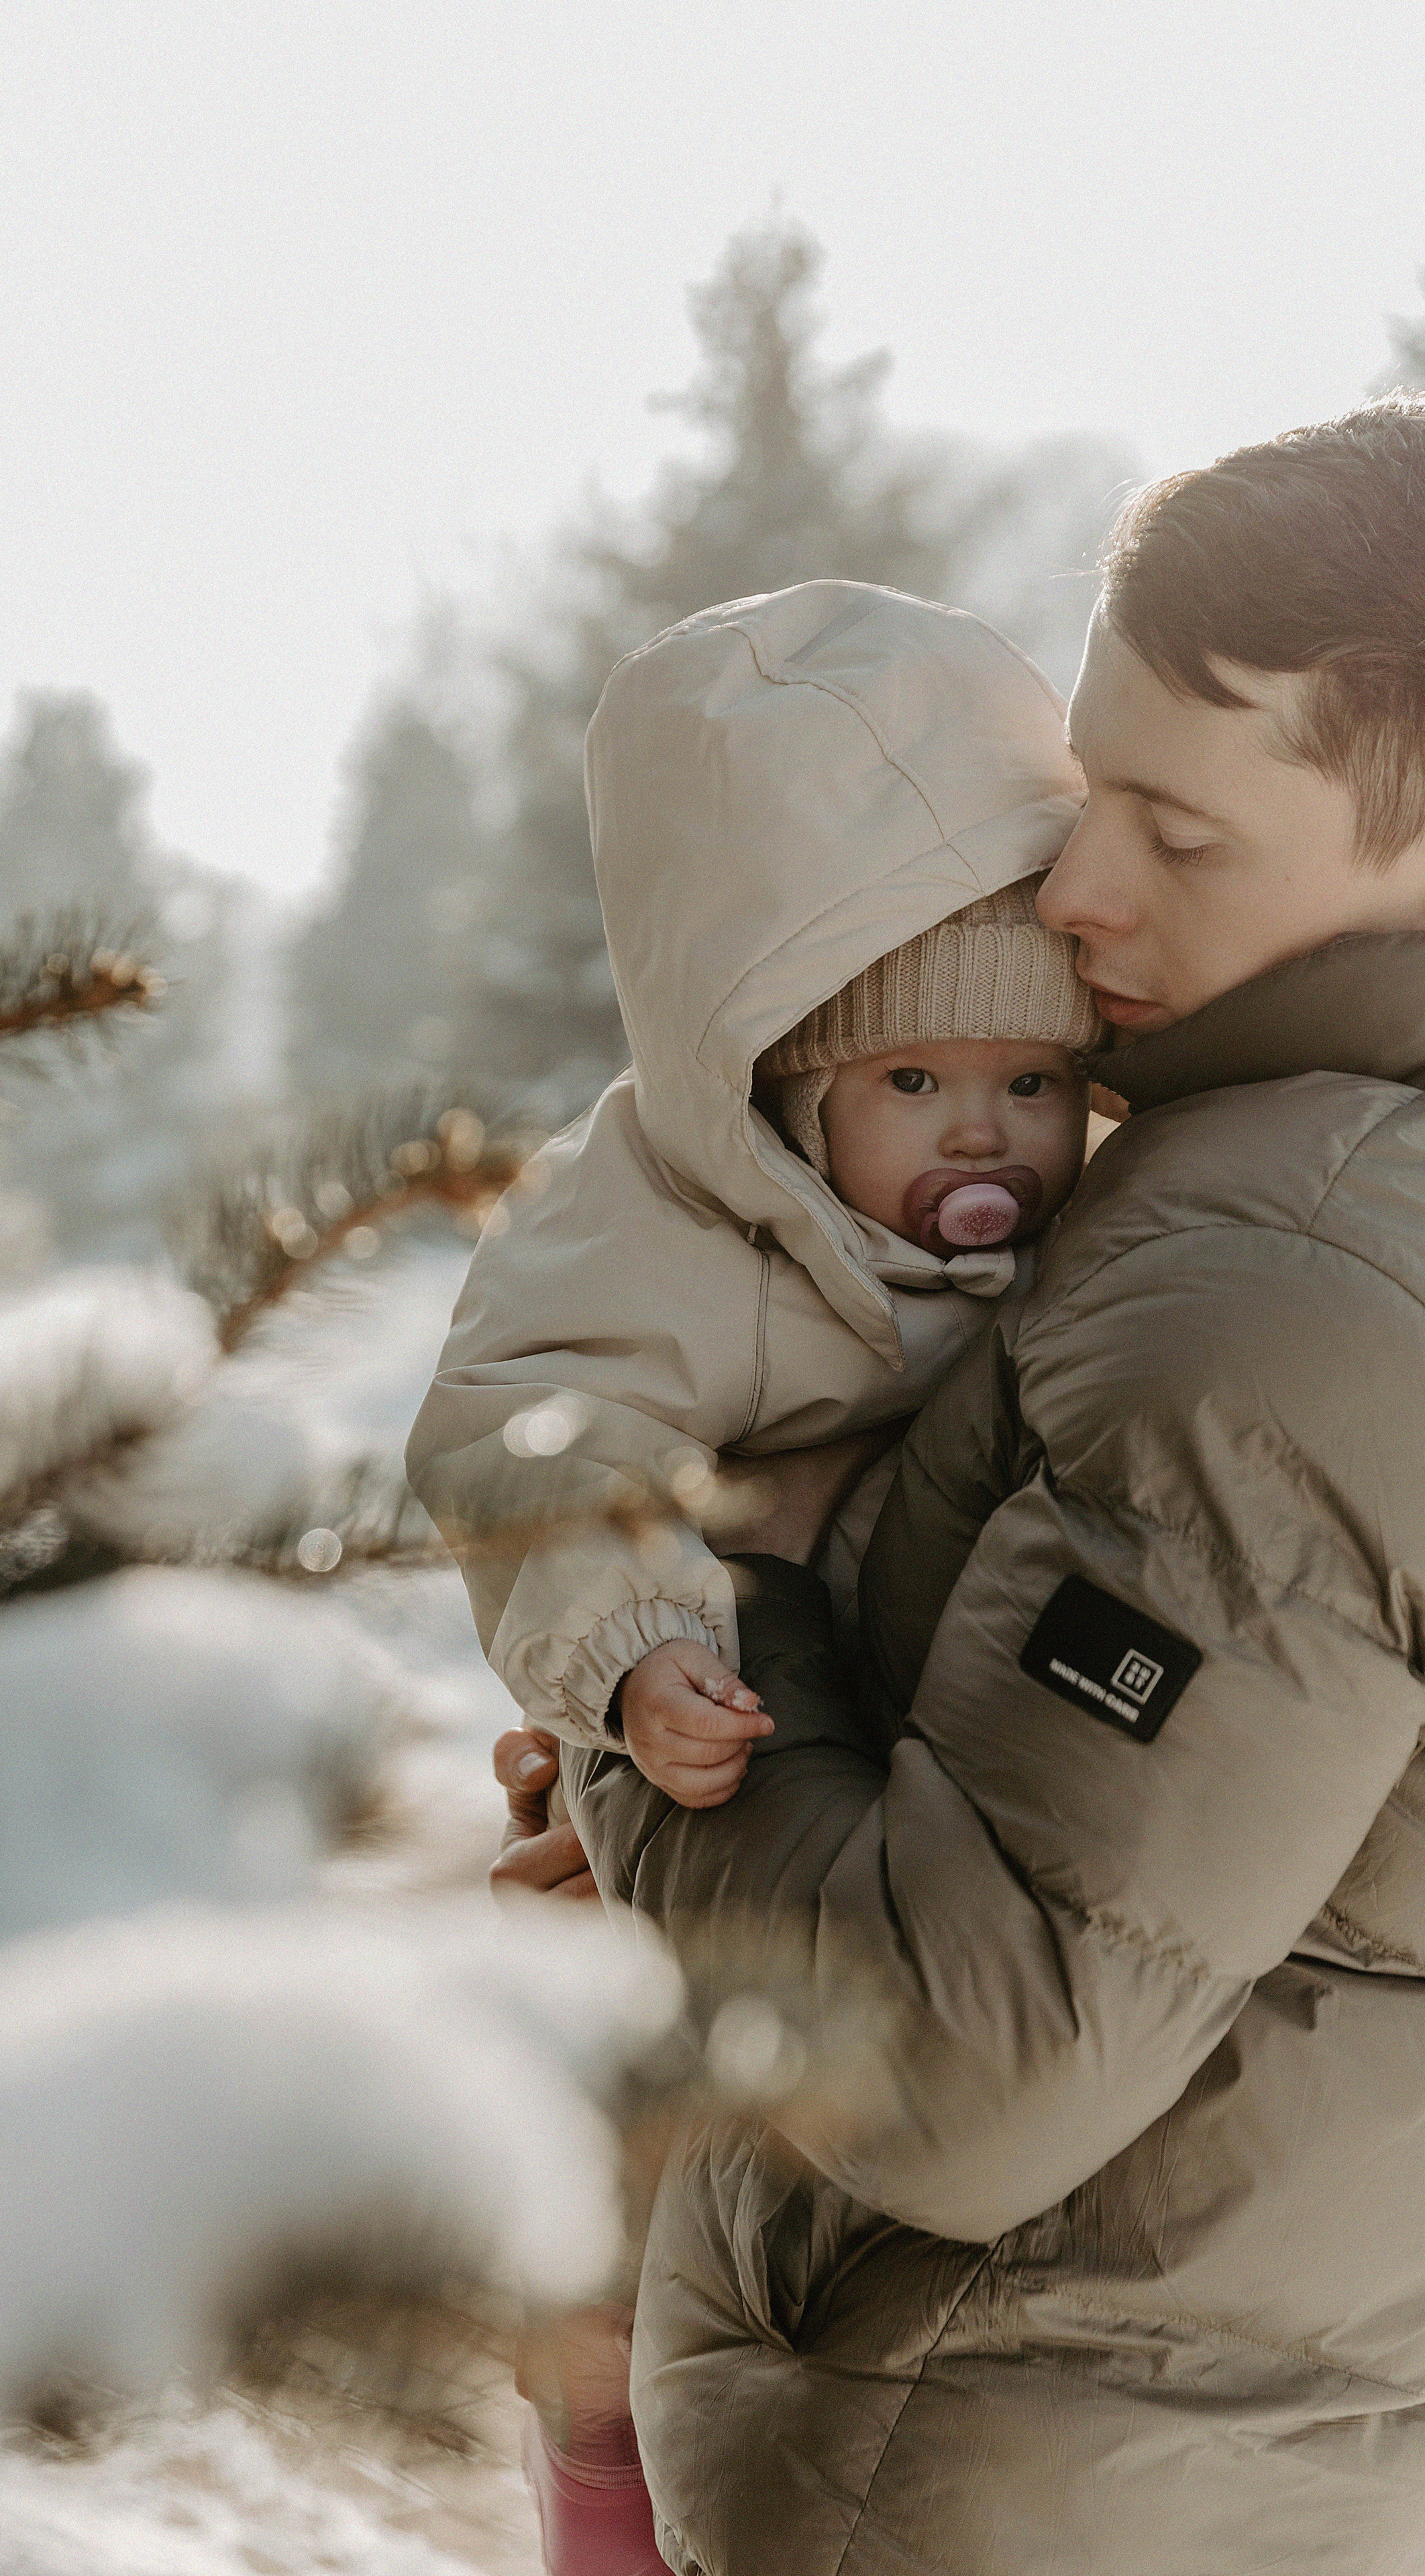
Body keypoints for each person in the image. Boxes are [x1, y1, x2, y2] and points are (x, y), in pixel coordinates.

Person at [502, 394, 1425, 2573]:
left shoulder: (1273, 1290)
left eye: (1180, 838)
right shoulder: (1280, 1204)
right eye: (1082, 791)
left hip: (1010, 2462)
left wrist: (683, 1636)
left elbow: (949, 2064)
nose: (1077, 892)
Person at [407, 581, 1098, 2573]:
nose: (988, 1135)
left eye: (1033, 1083)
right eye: (914, 1087)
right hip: (700, 1739)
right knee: (630, 2188)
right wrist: (626, 1652)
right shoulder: (661, 1221)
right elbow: (533, 1426)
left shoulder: (1110, 1223)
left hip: (934, 1787)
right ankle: (606, 2511)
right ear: (781, 1074)